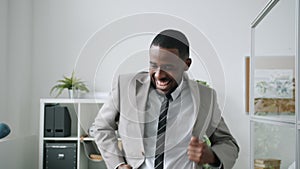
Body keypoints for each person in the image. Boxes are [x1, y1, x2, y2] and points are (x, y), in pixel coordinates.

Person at [93, 29, 239, 169]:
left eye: (168, 66)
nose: (158, 75)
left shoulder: (205, 97)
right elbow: (101, 128)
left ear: (186, 64)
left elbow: (228, 142)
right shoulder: (125, 87)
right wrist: (117, 165)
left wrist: (212, 157)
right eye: (153, 65)